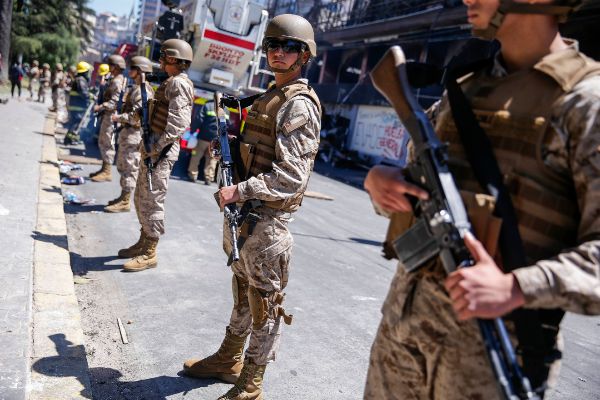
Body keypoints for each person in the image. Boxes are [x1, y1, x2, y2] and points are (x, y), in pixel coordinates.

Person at [362, 0, 600, 399]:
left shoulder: (586, 103)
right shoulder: (465, 89)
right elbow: (419, 190)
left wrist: (516, 287)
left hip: (488, 362)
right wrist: (381, 184)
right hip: (401, 342)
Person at [182, 14, 322, 400]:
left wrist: (239, 190)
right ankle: (229, 358)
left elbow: (291, 178)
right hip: (245, 218)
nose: (278, 52)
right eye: (272, 45)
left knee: (264, 303)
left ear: (304, 55)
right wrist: (231, 148)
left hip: (268, 221)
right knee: (243, 290)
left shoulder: (298, 105)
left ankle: (252, 381)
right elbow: (259, 151)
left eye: (289, 47)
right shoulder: (267, 97)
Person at [117, 39, 194, 272]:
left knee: (153, 200)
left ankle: (150, 251)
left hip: (161, 151)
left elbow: (179, 123)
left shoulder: (179, 83)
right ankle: (143, 241)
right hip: (153, 148)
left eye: (165, 57)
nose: (160, 61)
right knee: (142, 197)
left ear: (176, 60)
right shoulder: (170, 82)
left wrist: (157, 147)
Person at [104, 56, 155, 213]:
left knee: (129, 167)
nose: (129, 71)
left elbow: (135, 117)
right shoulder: (137, 88)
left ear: (140, 71)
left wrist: (118, 117)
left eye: (133, 68)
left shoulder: (143, 91)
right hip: (128, 134)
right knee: (123, 166)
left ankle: (125, 201)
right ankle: (122, 197)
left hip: (134, 135)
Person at [90, 54, 128, 182]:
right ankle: (104, 169)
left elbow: (114, 102)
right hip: (109, 115)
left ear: (116, 67)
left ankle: (107, 172)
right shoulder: (115, 79)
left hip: (111, 116)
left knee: (107, 143)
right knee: (103, 141)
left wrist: (100, 106)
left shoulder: (117, 81)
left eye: (111, 65)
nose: (109, 67)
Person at [187, 99, 219, 185]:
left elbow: (198, 119)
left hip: (203, 137)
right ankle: (209, 178)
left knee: (196, 156)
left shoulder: (207, 106)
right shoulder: (225, 110)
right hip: (216, 140)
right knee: (212, 159)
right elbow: (228, 124)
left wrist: (192, 131)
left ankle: (193, 175)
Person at [63, 61, 91, 144]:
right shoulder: (81, 80)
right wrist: (90, 96)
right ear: (85, 71)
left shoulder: (78, 79)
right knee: (76, 123)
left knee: (74, 123)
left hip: (76, 105)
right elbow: (83, 92)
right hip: (77, 106)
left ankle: (69, 139)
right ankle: (69, 139)